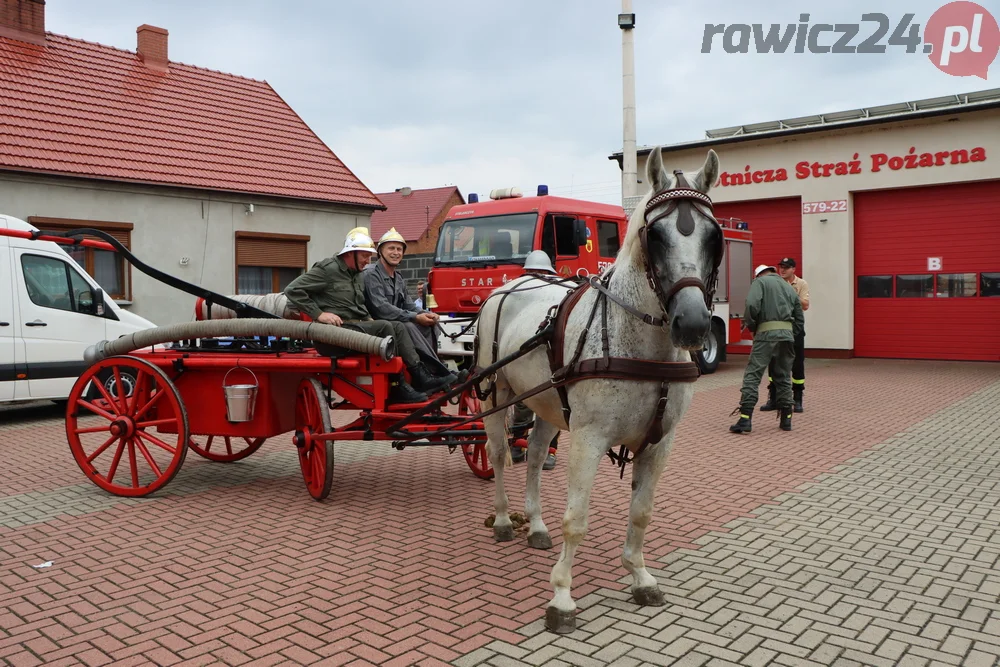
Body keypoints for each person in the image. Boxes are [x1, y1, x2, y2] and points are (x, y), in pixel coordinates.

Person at [283, 227, 452, 405]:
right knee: (385, 326)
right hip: (333, 337)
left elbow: (356, 304)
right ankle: (397, 385)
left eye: (369, 256)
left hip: (354, 329)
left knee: (398, 326)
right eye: (364, 255)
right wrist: (319, 314)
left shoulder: (356, 274)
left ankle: (420, 376)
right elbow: (292, 290)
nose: (367, 260)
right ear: (351, 253)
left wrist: (368, 318)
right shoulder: (328, 269)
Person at [363, 228, 457, 384]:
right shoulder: (371, 274)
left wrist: (424, 313)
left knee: (430, 325)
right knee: (409, 325)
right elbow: (381, 308)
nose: (396, 252)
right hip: (376, 325)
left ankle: (432, 370)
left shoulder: (398, 277)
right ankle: (433, 373)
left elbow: (408, 303)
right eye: (391, 248)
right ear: (380, 251)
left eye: (399, 249)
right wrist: (415, 317)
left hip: (395, 323)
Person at [730, 264, 804, 434]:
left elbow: (751, 305)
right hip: (786, 336)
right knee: (784, 376)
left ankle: (745, 420)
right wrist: (792, 333)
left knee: (753, 375)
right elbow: (799, 314)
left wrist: (752, 326)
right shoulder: (788, 286)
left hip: (765, 335)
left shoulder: (760, 283)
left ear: (758, 275)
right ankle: (786, 419)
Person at [509, 250, 560, 470]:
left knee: (554, 402)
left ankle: (549, 449)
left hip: (552, 355)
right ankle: (518, 444)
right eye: (533, 272)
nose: (536, 276)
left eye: (539, 272)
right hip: (526, 353)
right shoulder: (518, 292)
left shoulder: (558, 291)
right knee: (522, 401)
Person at [760, 258, 810, 413]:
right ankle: (773, 398)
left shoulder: (801, 284)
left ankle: (797, 398)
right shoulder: (775, 282)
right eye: (781, 267)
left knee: (796, 363)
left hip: (794, 328)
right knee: (774, 361)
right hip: (777, 327)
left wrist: (790, 292)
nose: (782, 270)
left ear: (793, 269)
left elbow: (805, 305)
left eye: (786, 268)